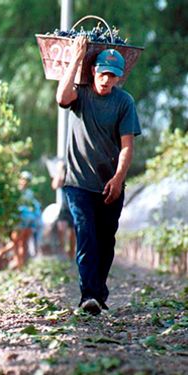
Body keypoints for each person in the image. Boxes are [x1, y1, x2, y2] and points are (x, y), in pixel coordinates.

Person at [56, 36, 141, 315]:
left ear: (118, 77)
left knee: (106, 240)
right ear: (94, 71)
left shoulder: (124, 102)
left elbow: (127, 146)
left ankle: (99, 293)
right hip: (78, 182)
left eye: (112, 76)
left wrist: (117, 179)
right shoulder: (79, 94)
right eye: (103, 73)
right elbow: (61, 97)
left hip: (109, 184)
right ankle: (88, 295)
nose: (106, 80)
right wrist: (76, 58)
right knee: (86, 234)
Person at [0, 171, 41, 270]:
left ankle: (19, 265)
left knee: (17, 242)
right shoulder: (30, 193)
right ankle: (21, 265)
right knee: (22, 243)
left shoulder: (16, 192)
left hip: (21, 219)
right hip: (29, 219)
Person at [51, 160, 76, 260]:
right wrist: (60, 170)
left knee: (72, 233)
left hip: (73, 207)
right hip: (64, 208)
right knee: (61, 229)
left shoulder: (73, 176)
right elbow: (55, 185)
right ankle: (63, 251)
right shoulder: (61, 177)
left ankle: (71, 254)